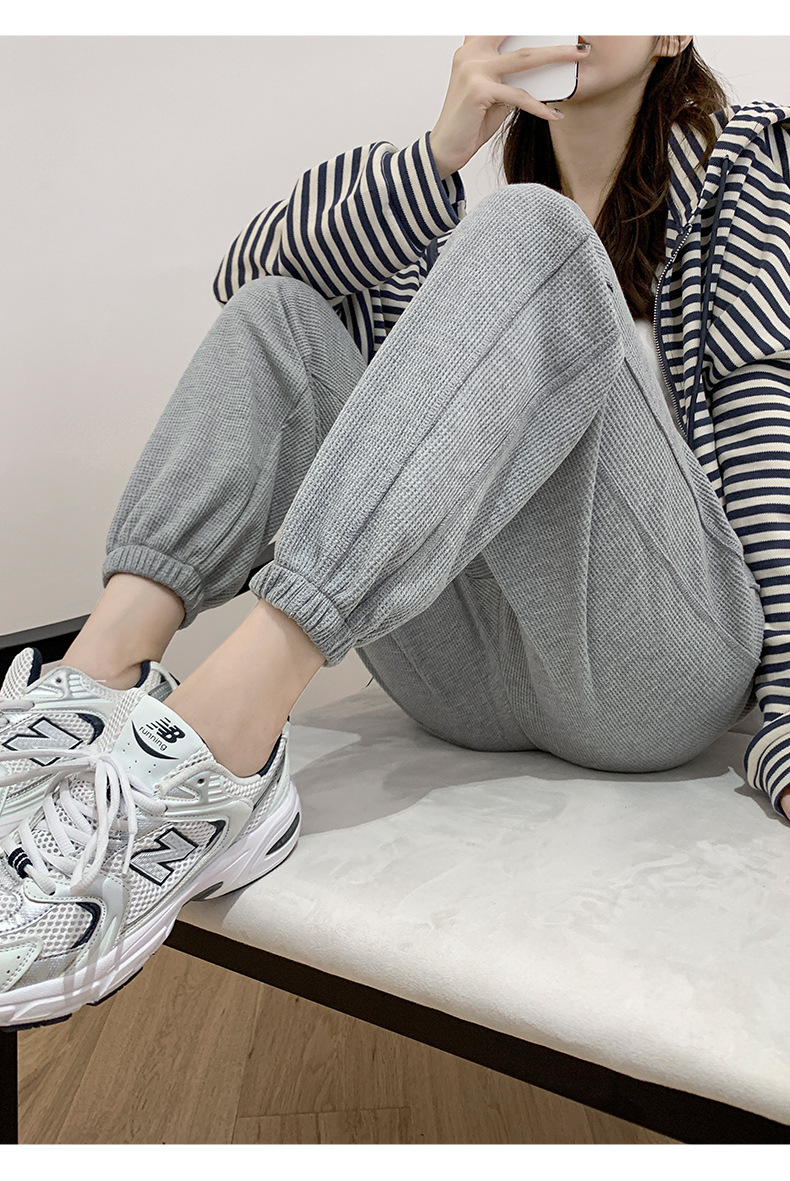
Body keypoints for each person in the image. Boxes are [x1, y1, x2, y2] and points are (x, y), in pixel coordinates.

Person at [1, 35, 789, 1030]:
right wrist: (435, 156)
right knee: (282, 313)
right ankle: (81, 697)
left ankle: (208, 758)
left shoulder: (737, 167)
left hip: (652, 670)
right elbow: (247, 279)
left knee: (535, 233)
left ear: (671, 32)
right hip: (463, 680)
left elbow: (768, 434)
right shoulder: (442, 222)